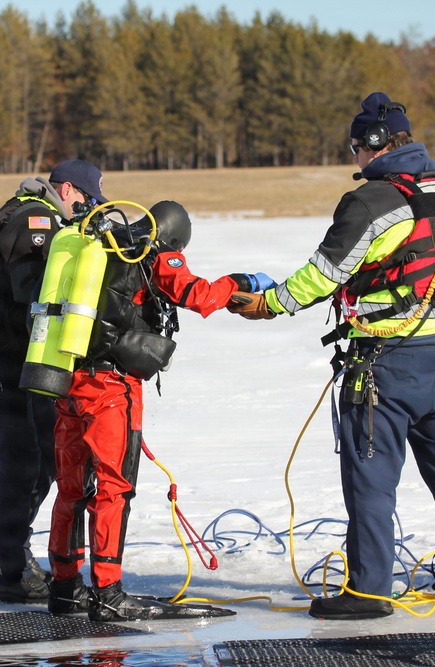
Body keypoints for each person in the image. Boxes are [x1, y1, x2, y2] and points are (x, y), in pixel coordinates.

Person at [228, 92, 435, 620]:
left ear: (372, 146)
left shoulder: (371, 200)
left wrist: (268, 304)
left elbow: (322, 274)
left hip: (385, 364)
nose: (354, 159)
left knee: (371, 476)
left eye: (355, 148)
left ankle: (370, 592)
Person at [44, 200, 271, 621]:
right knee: (114, 489)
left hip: (68, 379)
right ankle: (108, 593)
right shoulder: (154, 253)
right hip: (111, 388)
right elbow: (197, 296)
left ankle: (64, 587)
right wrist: (241, 281)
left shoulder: (103, 247)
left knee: (71, 488)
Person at [0, 159, 106, 604]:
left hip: (20, 360)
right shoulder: (33, 219)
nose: (89, 209)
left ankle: (15, 556)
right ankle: (11, 571)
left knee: (41, 458)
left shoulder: (40, 217)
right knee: (21, 461)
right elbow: (35, 294)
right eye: (86, 200)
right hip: (2, 361)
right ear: (66, 191)